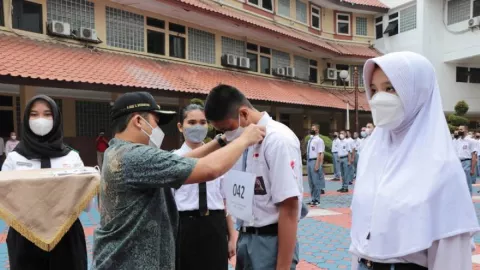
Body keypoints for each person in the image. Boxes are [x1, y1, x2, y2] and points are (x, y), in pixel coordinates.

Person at [92, 92, 265, 270]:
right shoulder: (135, 156)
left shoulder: (118, 152)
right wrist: (244, 139)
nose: (157, 130)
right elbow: (209, 169)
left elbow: (181, 162)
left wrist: (220, 142)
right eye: (156, 123)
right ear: (138, 121)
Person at [350, 52, 480, 270]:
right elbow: (363, 233)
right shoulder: (372, 153)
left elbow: (450, 257)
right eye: (373, 90)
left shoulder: (441, 167)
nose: (378, 98)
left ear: (416, 93)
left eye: (390, 88)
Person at [204, 84, 302, 270]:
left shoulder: (278, 140)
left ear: (244, 114)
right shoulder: (243, 142)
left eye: (227, 128)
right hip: (246, 237)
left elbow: (289, 208)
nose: (226, 135)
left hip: (271, 242)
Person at [2, 95, 89, 270]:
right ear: (26, 120)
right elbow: (4, 199)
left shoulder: (72, 157)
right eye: (34, 114)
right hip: (25, 238)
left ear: (56, 118)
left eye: (47, 114)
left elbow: (86, 205)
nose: (40, 119)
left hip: (66, 237)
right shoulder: (14, 158)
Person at [172, 104, 235, 270]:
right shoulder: (173, 159)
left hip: (215, 225)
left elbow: (225, 200)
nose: (197, 127)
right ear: (180, 127)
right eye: (191, 122)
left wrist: (232, 236)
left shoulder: (218, 158)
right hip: (184, 226)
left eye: (202, 122)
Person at [306, 124, 325, 206]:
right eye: (311, 128)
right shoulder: (310, 139)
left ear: (317, 130)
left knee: (315, 181)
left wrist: (318, 164)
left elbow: (319, 153)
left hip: (314, 161)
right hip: (309, 161)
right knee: (310, 182)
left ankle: (317, 200)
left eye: (313, 129)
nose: (312, 130)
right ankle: (313, 198)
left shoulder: (319, 140)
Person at [456, 125, 477, 194]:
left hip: (467, 162)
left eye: (461, 129)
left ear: (466, 131)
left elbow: (474, 155)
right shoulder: (457, 141)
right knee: (459, 184)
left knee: (467, 183)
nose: (459, 131)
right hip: (458, 163)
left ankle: (469, 201)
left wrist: (472, 169)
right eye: (459, 129)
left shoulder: (471, 141)